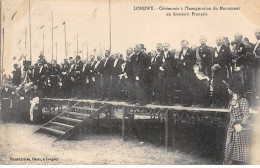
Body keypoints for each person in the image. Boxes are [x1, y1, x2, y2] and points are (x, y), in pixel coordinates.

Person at [223, 80, 250, 165]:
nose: (227, 89)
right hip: (231, 127)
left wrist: (241, 125)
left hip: (239, 128)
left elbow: (246, 115)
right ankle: (228, 163)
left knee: (240, 150)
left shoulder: (243, 100)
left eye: (228, 88)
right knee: (229, 146)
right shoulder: (232, 100)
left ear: (233, 89)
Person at [211, 36, 232, 107]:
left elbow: (228, 59)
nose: (218, 41)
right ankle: (218, 103)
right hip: (216, 70)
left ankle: (225, 103)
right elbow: (212, 59)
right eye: (216, 40)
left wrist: (219, 65)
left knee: (223, 85)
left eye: (219, 40)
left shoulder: (226, 48)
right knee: (216, 86)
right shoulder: (214, 49)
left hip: (223, 69)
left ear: (222, 40)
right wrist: (213, 66)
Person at [178, 40, 196, 106]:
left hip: (189, 71)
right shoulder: (180, 52)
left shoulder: (191, 51)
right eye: (183, 44)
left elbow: (194, 60)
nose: (184, 45)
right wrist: (181, 63)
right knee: (183, 86)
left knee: (189, 86)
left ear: (188, 44)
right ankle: (183, 102)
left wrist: (185, 63)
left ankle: (189, 102)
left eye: (185, 44)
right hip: (182, 71)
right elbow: (179, 60)